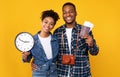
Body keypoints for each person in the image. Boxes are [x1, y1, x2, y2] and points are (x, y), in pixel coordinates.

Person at [53, 2, 99, 77]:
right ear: (62, 15)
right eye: (65, 12)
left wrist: (91, 43)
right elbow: (53, 54)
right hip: (62, 73)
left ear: (76, 13)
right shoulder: (57, 32)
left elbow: (95, 52)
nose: (68, 14)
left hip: (81, 73)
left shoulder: (85, 30)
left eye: (71, 11)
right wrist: (36, 62)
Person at [22, 9, 60, 77]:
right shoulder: (32, 40)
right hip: (39, 73)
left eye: (51, 24)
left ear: (53, 26)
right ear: (41, 22)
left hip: (54, 73)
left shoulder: (56, 39)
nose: (48, 25)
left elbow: (59, 57)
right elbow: (26, 60)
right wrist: (25, 56)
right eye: (46, 22)